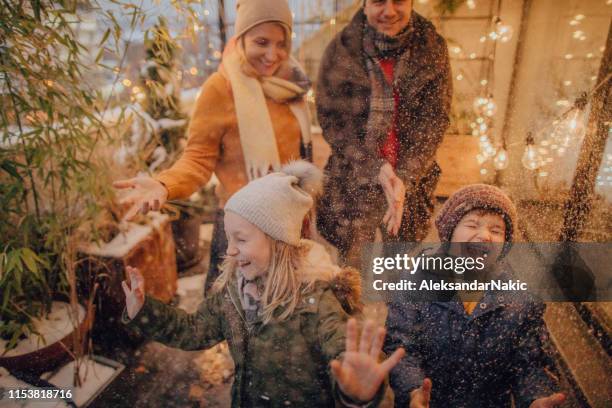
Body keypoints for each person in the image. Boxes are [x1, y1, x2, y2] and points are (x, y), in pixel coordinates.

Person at [122, 161, 405, 407]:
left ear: (278, 242)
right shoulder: (234, 293)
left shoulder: (317, 304)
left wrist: (358, 394)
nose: (230, 250)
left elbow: (348, 359)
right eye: (228, 238)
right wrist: (143, 309)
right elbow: (194, 330)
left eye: (241, 239)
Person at [114, 0, 313, 293]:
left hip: (290, 222)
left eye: (281, 43)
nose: (273, 54)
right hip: (242, 228)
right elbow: (197, 159)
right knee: (235, 317)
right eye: (261, 42)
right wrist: (163, 184)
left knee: (286, 318)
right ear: (241, 37)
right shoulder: (221, 88)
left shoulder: (293, 86)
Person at [383, 184, 566, 408]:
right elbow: (402, 347)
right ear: (450, 234)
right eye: (472, 225)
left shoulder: (520, 298)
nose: (484, 236)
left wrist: (536, 398)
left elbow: (530, 363)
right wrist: (413, 391)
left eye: (496, 231)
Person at [315, 0, 452, 268]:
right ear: (364, 5)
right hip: (353, 182)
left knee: (401, 269)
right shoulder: (341, 51)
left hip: (410, 183)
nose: (389, 11)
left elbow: (434, 120)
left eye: (399, 1)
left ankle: (397, 308)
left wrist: (403, 176)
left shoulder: (432, 49)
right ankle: (354, 310)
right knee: (353, 267)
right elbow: (333, 121)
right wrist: (374, 166)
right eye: (378, 1)